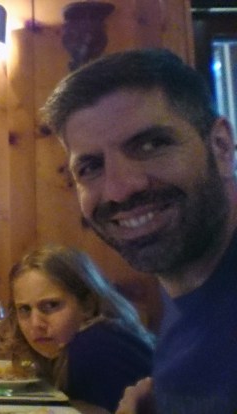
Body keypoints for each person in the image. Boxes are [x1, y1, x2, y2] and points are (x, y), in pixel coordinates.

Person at [41, 48, 237, 413]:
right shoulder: (187, 290)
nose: (119, 189)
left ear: (221, 147)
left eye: (151, 145)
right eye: (90, 167)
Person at [0, 244, 153, 413]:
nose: (36, 323)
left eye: (51, 305)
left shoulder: (94, 347)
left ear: (87, 305)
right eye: (25, 309)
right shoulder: (82, 345)